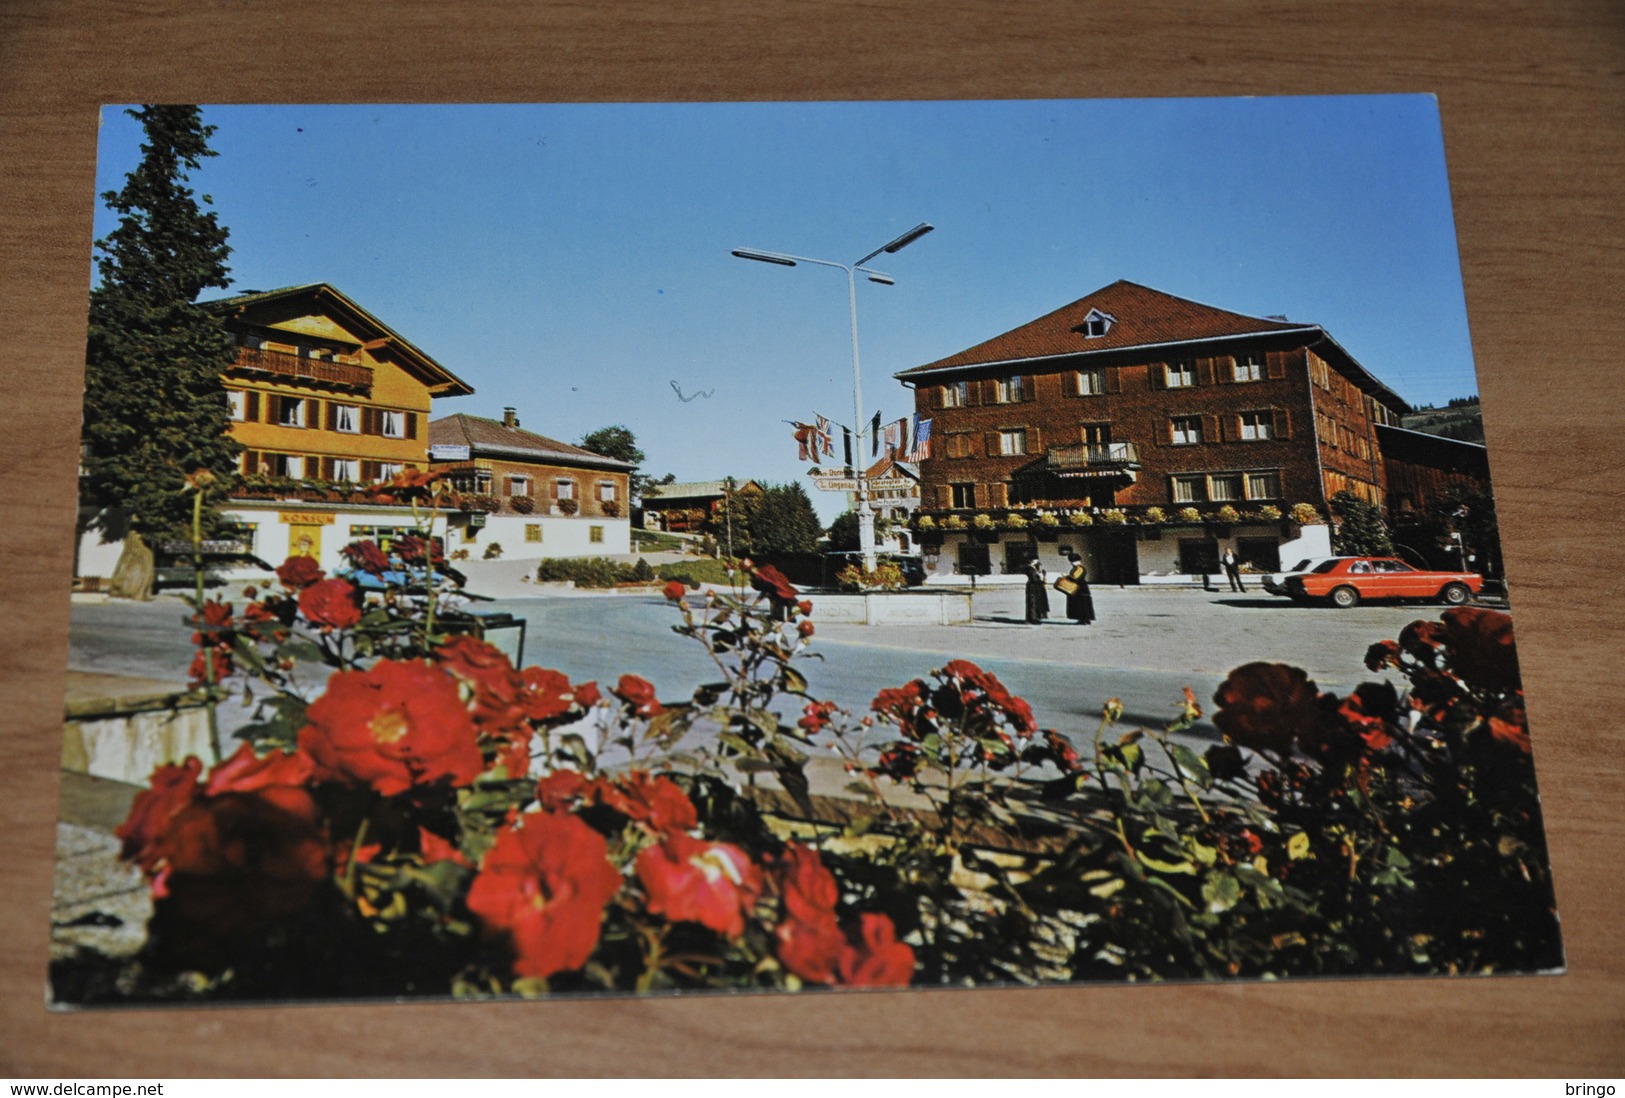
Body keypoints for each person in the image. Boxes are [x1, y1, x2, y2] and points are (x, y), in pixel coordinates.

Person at [1056, 550, 1095, 625]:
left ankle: (1085, 619)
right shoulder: (1077, 568)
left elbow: (1075, 577)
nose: (1073, 563)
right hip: (1080, 587)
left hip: (1080, 588)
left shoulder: (1080, 568)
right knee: (1079, 604)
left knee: (1082, 604)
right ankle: (1083, 619)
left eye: (1074, 561)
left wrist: (1066, 577)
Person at [1023, 558, 1050, 624]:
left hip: (1037, 587)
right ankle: (1032, 618)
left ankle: (1037, 617)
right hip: (1033, 588)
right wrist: (1040, 578)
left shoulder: (1035, 568)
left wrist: (1043, 576)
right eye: (1036, 560)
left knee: (1037, 602)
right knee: (1033, 603)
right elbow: (1034, 579)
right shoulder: (1029, 569)